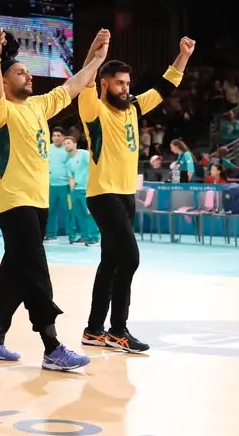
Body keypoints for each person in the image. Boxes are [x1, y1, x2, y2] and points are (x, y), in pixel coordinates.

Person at [0, 29, 109, 372]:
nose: (29, 75)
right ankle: (52, 345)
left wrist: (96, 59)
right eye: (20, 72)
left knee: (15, 273)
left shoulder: (38, 106)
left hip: (38, 200)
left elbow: (74, 85)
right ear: (2, 79)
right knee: (35, 269)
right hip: (13, 201)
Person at [78, 37, 193, 353]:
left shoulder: (134, 107)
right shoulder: (93, 109)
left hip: (128, 194)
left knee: (110, 263)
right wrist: (96, 54)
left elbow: (166, 87)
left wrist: (182, 56)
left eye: (127, 83)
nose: (125, 88)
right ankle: (118, 330)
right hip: (104, 193)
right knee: (130, 258)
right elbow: (84, 79)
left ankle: (93, 329)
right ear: (104, 85)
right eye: (119, 83)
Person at [63, 137, 97, 245]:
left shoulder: (84, 154)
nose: (66, 145)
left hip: (87, 190)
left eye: (68, 143)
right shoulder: (68, 162)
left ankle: (94, 237)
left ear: (75, 144)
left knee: (90, 213)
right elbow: (71, 177)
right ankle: (84, 236)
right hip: (76, 191)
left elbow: (94, 167)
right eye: (65, 144)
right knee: (80, 215)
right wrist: (72, 191)